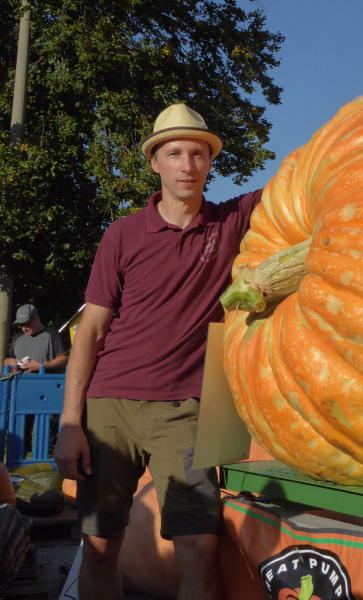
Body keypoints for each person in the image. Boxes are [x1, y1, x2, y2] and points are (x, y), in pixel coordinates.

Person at [53, 103, 263, 600]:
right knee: (101, 545)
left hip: (186, 413)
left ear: (210, 163)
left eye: (198, 153)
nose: (187, 164)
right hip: (111, 408)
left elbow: (302, 176)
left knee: (198, 552)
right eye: (174, 153)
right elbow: (92, 331)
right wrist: (70, 424)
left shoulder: (230, 222)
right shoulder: (122, 234)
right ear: (155, 162)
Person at [3, 304, 68, 373]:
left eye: (27, 323)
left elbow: (64, 359)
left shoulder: (52, 334)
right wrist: (9, 361)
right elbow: (6, 360)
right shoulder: (17, 337)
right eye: (21, 325)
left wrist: (42, 366)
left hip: (45, 381)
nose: (24, 328)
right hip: (20, 382)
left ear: (36, 318)